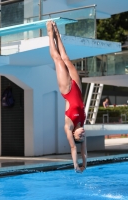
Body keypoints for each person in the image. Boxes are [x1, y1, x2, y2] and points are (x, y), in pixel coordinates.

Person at [46, 21, 87, 173]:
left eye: (80, 136)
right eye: (83, 135)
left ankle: (50, 34)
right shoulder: (82, 123)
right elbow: (84, 150)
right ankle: (57, 32)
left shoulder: (69, 126)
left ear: (74, 135)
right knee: (66, 58)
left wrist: (76, 165)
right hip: (77, 86)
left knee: (57, 59)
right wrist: (85, 165)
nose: (83, 133)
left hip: (67, 90)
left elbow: (73, 148)